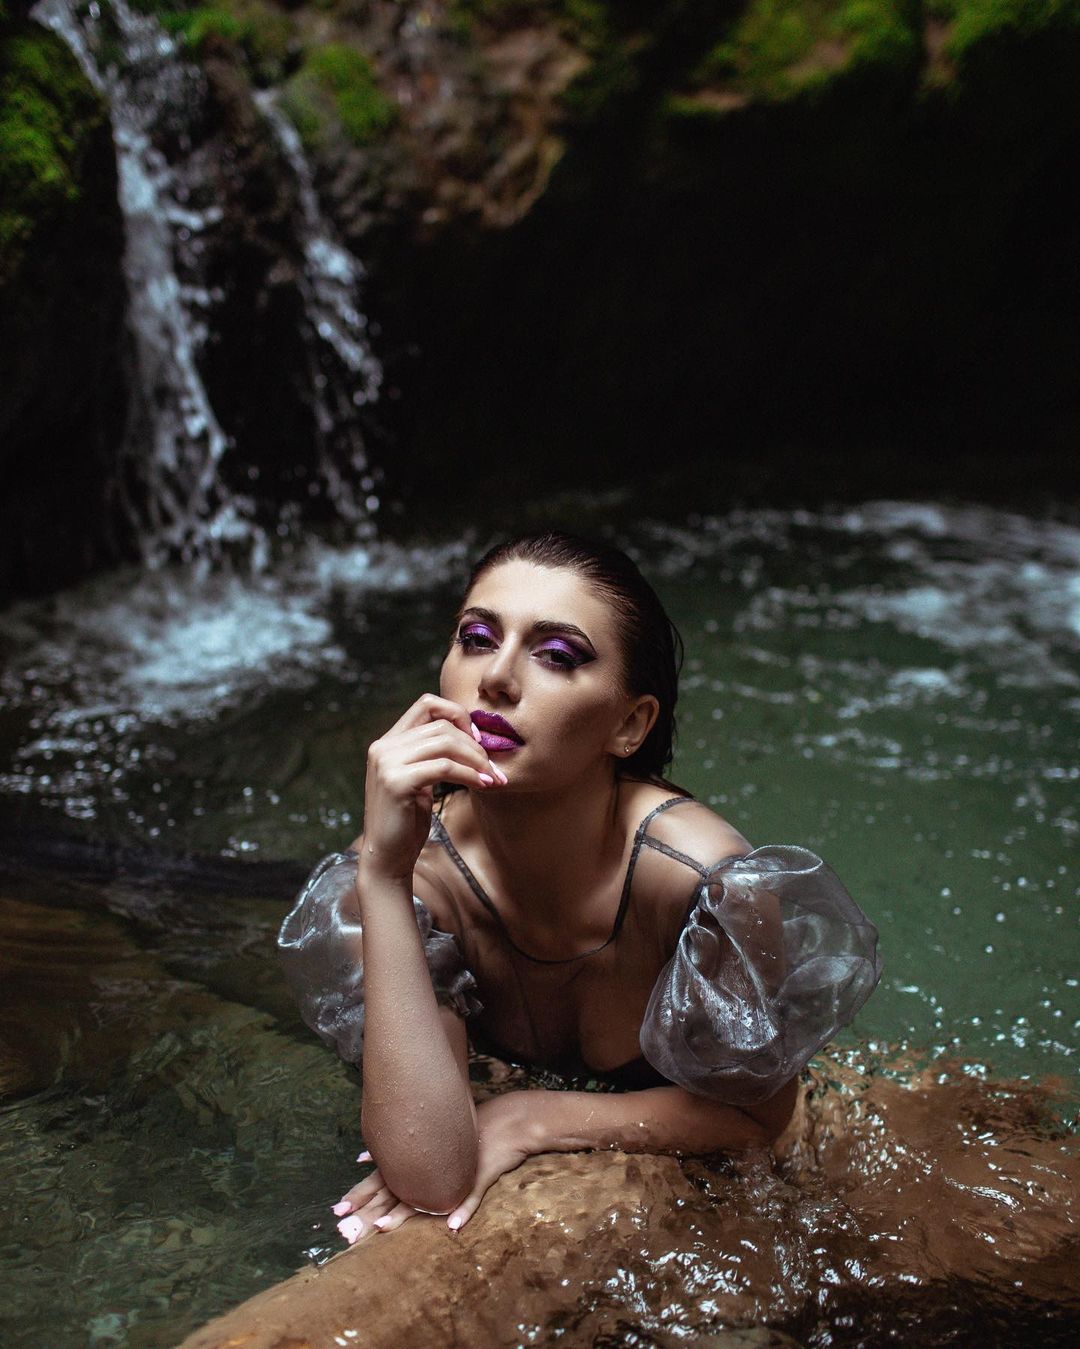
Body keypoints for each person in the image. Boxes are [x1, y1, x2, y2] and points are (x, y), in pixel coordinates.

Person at [278, 531, 881, 1243]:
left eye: (557, 655)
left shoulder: (708, 887)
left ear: (630, 724)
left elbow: (759, 1116)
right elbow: (433, 1178)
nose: (496, 678)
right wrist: (383, 875)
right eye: (476, 638)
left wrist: (531, 1117)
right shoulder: (396, 878)